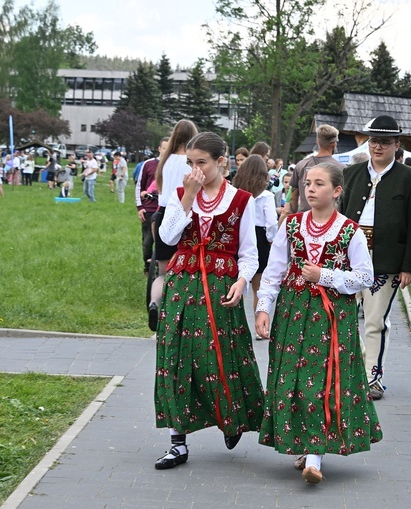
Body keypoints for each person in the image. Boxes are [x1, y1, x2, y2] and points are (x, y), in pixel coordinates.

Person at [255, 162, 382, 484]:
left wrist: (324, 275)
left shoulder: (350, 231)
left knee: (322, 383)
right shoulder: (292, 225)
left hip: (331, 318)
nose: (310, 189)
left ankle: (315, 457)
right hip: (293, 313)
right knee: (292, 382)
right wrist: (263, 308)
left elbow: (365, 277)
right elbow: (274, 271)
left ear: (337, 191)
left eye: (319, 184)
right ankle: (304, 444)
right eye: (308, 183)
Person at [153, 132, 265, 470]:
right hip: (182, 286)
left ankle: (231, 417)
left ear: (221, 162)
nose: (195, 169)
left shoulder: (242, 200)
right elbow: (167, 237)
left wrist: (243, 281)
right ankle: (177, 441)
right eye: (190, 162)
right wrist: (187, 196)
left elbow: (249, 252)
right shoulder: (182, 194)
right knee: (175, 359)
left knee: (220, 358)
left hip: (219, 289)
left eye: (201, 162)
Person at [340, 115, 411, 400]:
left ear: (396, 145)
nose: (377, 147)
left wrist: (408, 266)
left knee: (375, 320)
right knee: (346, 318)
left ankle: (372, 377)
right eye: (374, 141)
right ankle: (355, 370)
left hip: (386, 260)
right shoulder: (350, 174)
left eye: (384, 142)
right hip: (350, 258)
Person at [148, 119, 199, 331]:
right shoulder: (188, 163)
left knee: (162, 271)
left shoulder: (165, 161)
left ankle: (154, 302)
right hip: (180, 213)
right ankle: (176, 313)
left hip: (161, 213)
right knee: (181, 269)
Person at [232, 154, 278, 319]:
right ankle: (259, 322)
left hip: (238, 234)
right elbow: (272, 222)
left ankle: (236, 321)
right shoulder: (267, 196)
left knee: (237, 282)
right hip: (260, 237)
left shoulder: (236, 192)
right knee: (258, 287)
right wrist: (271, 238)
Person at [290, 125, 344, 213]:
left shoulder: (301, 164)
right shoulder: (341, 168)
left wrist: (294, 216)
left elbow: (293, 196)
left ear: (317, 142)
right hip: (330, 219)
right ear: (334, 144)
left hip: (304, 219)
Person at [136, 138, 167, 275]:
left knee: (165, 241)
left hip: (165, 208)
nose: (167, 151)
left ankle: (163, 269)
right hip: (149, 208)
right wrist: (140, 206)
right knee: (148, 241)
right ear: (159, 148)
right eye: (164, 148)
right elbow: (139, 186)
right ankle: (148, 267)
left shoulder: (173, 165)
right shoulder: (148, 164)